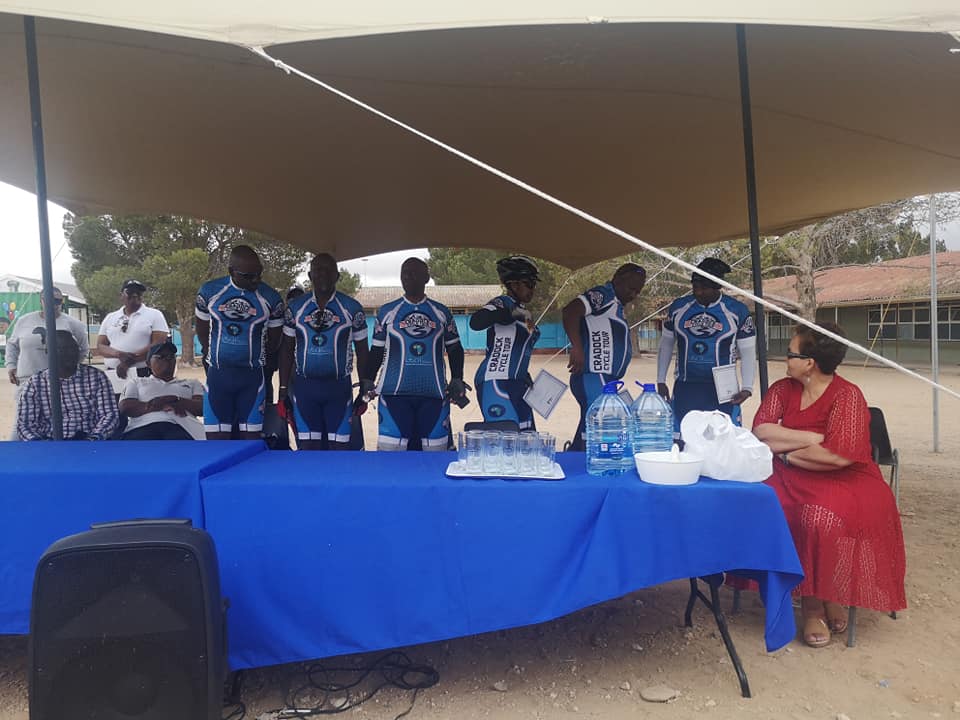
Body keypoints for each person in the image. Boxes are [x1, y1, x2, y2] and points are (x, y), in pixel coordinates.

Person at [751, 322, 906, 648]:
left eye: (790, 353)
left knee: (818, 518)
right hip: (788, 472)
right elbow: (761, 431)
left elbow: (838, 457)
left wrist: (787, 451)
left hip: (845, 479)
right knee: (764, 506)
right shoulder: (782, 389)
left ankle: (821, 599)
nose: (785, 358)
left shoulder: (848, 395)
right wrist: (813, 438)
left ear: (809, 363)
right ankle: (816, 600)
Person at [362, 257, 468, 451]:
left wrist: (457, 378)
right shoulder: (387, 312)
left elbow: (454, 348)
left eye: (414, 273)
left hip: (434, 396)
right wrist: (368, 379)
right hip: (393, 396)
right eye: (404, 273)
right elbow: (376, 350)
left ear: (426, 277)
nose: (408, 277)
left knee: (435, 457)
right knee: (391, 458)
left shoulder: (441, 312)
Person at [278, 254, 368, 450]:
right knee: (308, 450)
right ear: (310, 275)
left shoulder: (352, 308)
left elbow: (363, 351)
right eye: (318, 270)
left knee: (339, 450)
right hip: (305, 390)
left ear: (337, 276)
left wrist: (364, 387)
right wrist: (283, 390)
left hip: (339, 390)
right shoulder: (295, 308)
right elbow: (286, 349)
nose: (323, 274)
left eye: (328, 270)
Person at [196, 245, 284, 439]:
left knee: (250, 444)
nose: (256, 280)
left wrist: (256, 355)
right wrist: (212, 353)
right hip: (219, 376)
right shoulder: (209, 291)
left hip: (252, 378)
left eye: (259, 274)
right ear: (231, 271)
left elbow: (274, 341)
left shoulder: (271, 298)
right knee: (217, 444)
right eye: (249, 276)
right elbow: (202, 331)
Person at [656, 257, 756, 430]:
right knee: (684, 435)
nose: (698, 292)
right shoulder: (679, 308)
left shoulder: (737, 310)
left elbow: (747, 350)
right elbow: (666, 343)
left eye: (704, 288)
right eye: (695, 287)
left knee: (722, 437)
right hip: (687, 384)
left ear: (717, 287)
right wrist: (660, 379)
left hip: (723, 388)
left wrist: (747, 387)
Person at [561, 263, 647, 450]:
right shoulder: (604, 295)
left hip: (605, 379)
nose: (633, 295)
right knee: (601, 426)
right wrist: (577, 347)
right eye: (631, 288)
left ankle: (574, 454)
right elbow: (570, 311)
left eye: (638, 291)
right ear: (618, 279)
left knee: (590, 426)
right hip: (594, 374)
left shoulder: (616, 305)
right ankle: (586, 462)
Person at [5, 287, 89, 437]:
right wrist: (11, 366)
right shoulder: (24, 321)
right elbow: (12, 345)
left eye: (57, 301)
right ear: (41, 300)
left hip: (60, 383)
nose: (53, 304)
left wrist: (69, 369)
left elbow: (82, 349)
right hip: (27, 380)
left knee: (56, 425)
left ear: (62, 302)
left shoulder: (73, 324)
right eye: (49, 300)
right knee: (22, 425)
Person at [469, 255, 541, 429]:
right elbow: (476, 322)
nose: (532, 289)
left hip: (518, 383)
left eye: (534, 284)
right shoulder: (502, 302)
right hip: (495, 380)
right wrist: (509, 314)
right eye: (529, 283)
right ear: (513, 285)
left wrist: (523, 373)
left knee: (528, 439)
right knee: (506, 437)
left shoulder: (525, 314)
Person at [16, 330, 118, 441]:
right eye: (63, 349)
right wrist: (40, 444)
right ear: (48, 352)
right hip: (49, 441)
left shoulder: (96, 377)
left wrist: (94, 438)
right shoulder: (35, 383)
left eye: (74, 348)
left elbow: (109, 415)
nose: (71, 353)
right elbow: (25, 424)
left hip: (89, 441)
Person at [119, 340, 205, 440]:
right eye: (161, 357)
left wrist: (175, 400)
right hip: (142, 426)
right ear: (148, 363)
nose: (167, 360)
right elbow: (125, 407)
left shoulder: (192, 383)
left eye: (171, 357)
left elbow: (202, 408)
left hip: (181, 427)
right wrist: (155, 404)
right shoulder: (136, 382)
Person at [97, 279, 170, 395]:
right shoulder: (110, 317)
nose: (135, 295)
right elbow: (101, 346)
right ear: (121, 295)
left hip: (143, 372)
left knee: (143, 403)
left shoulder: (155, 315)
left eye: (139, 292)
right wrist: (119, 355)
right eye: (130, 292)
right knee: (117, 404)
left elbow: (158, 344)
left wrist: (127, 362)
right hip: (114, 374)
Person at [264, 285, 305, 405]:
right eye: (292, 300)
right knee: (266, 382)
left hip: (295, 361)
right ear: (287, 302)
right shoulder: (278, 316)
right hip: (274, 357)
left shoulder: (305, 320)